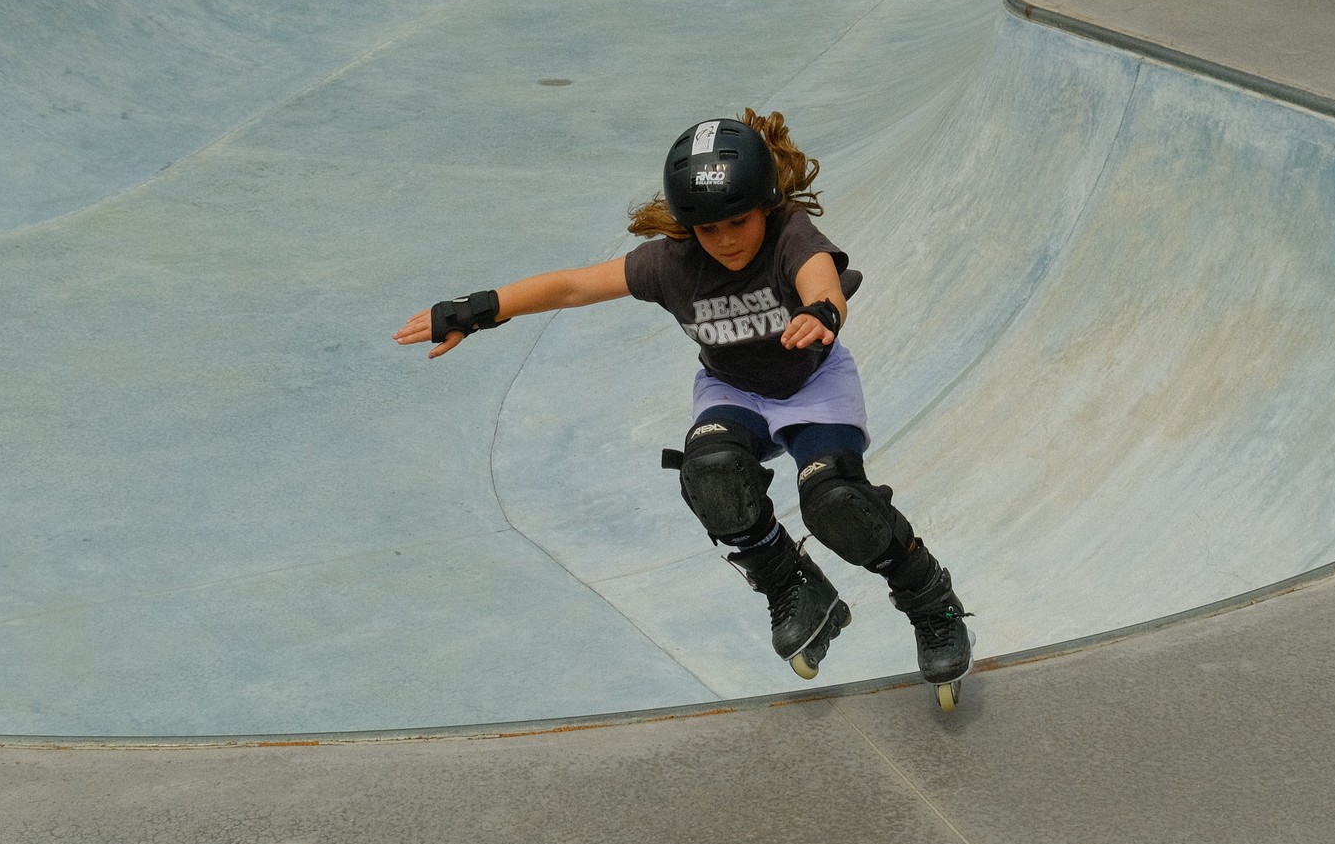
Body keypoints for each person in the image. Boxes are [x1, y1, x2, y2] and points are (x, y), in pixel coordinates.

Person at [394, 110, 976, 705]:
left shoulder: (790, 236)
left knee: (834, 499)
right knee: (710, 472)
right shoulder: (669, 263)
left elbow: (820, 278)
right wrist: (480, 309)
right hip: (732, 390)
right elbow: (574, 286)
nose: (726, 240)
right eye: (708, 228)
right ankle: (791, 583)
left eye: (739, 221)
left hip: (814, 385)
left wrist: (822, 310)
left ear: (765, 205)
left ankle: (932, 604)